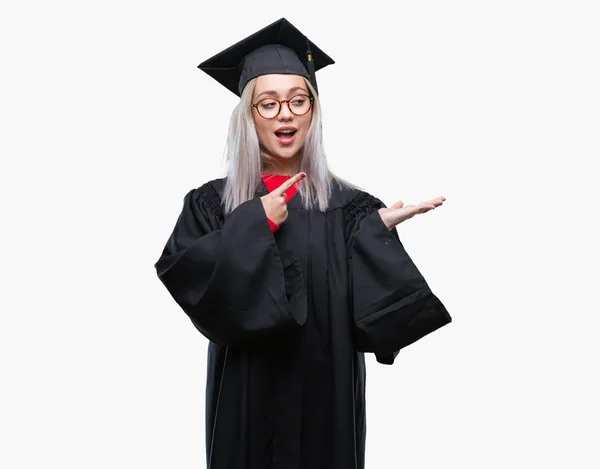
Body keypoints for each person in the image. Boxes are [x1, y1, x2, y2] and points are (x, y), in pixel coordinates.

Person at [154, 17, 452, 469]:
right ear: (248, 116)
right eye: (268, 104)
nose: (285, 113)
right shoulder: (214, 203)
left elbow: (375, 317)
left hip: (326, 395)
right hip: (245, 395)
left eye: (297, 100)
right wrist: (255, 223)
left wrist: (375, 232)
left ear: (313, 110)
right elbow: (189, 279)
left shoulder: (351, 207)